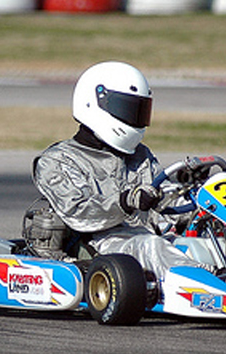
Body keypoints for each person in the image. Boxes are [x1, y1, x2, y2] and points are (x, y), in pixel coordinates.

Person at [31, 61, 210, 280]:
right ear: (94, 103)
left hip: (147, 238)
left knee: (211, 240)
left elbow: (162, 207)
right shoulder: (58, 160)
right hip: (98, 245)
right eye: (128, 109)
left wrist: (189, 191)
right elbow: (78, 212)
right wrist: (125, 201)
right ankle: (200, 282)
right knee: (151, 246)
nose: (135, 119)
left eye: (139, 111)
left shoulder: (140, 156)